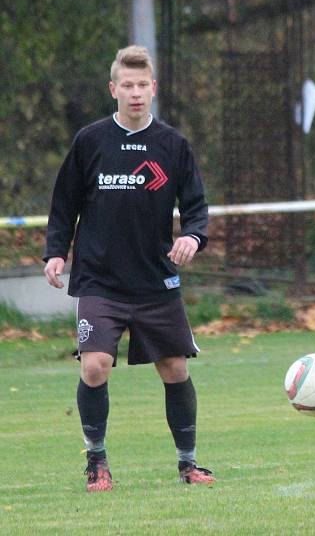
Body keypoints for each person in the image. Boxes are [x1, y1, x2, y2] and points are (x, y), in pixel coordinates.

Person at [43, 45, 215, 492]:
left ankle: (188, 464)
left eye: (143, 85)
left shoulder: (172, 145)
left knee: (175, 368)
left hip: (154, 279)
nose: (136, 93)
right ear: (113, 89)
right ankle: (96, 463)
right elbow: (65, 203)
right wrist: (56, 251)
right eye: (127, 85)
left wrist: (192, 236)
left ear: (153, 89)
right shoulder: (91, 141)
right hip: (100, 278)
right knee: (95, 366)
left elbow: (196, 207)